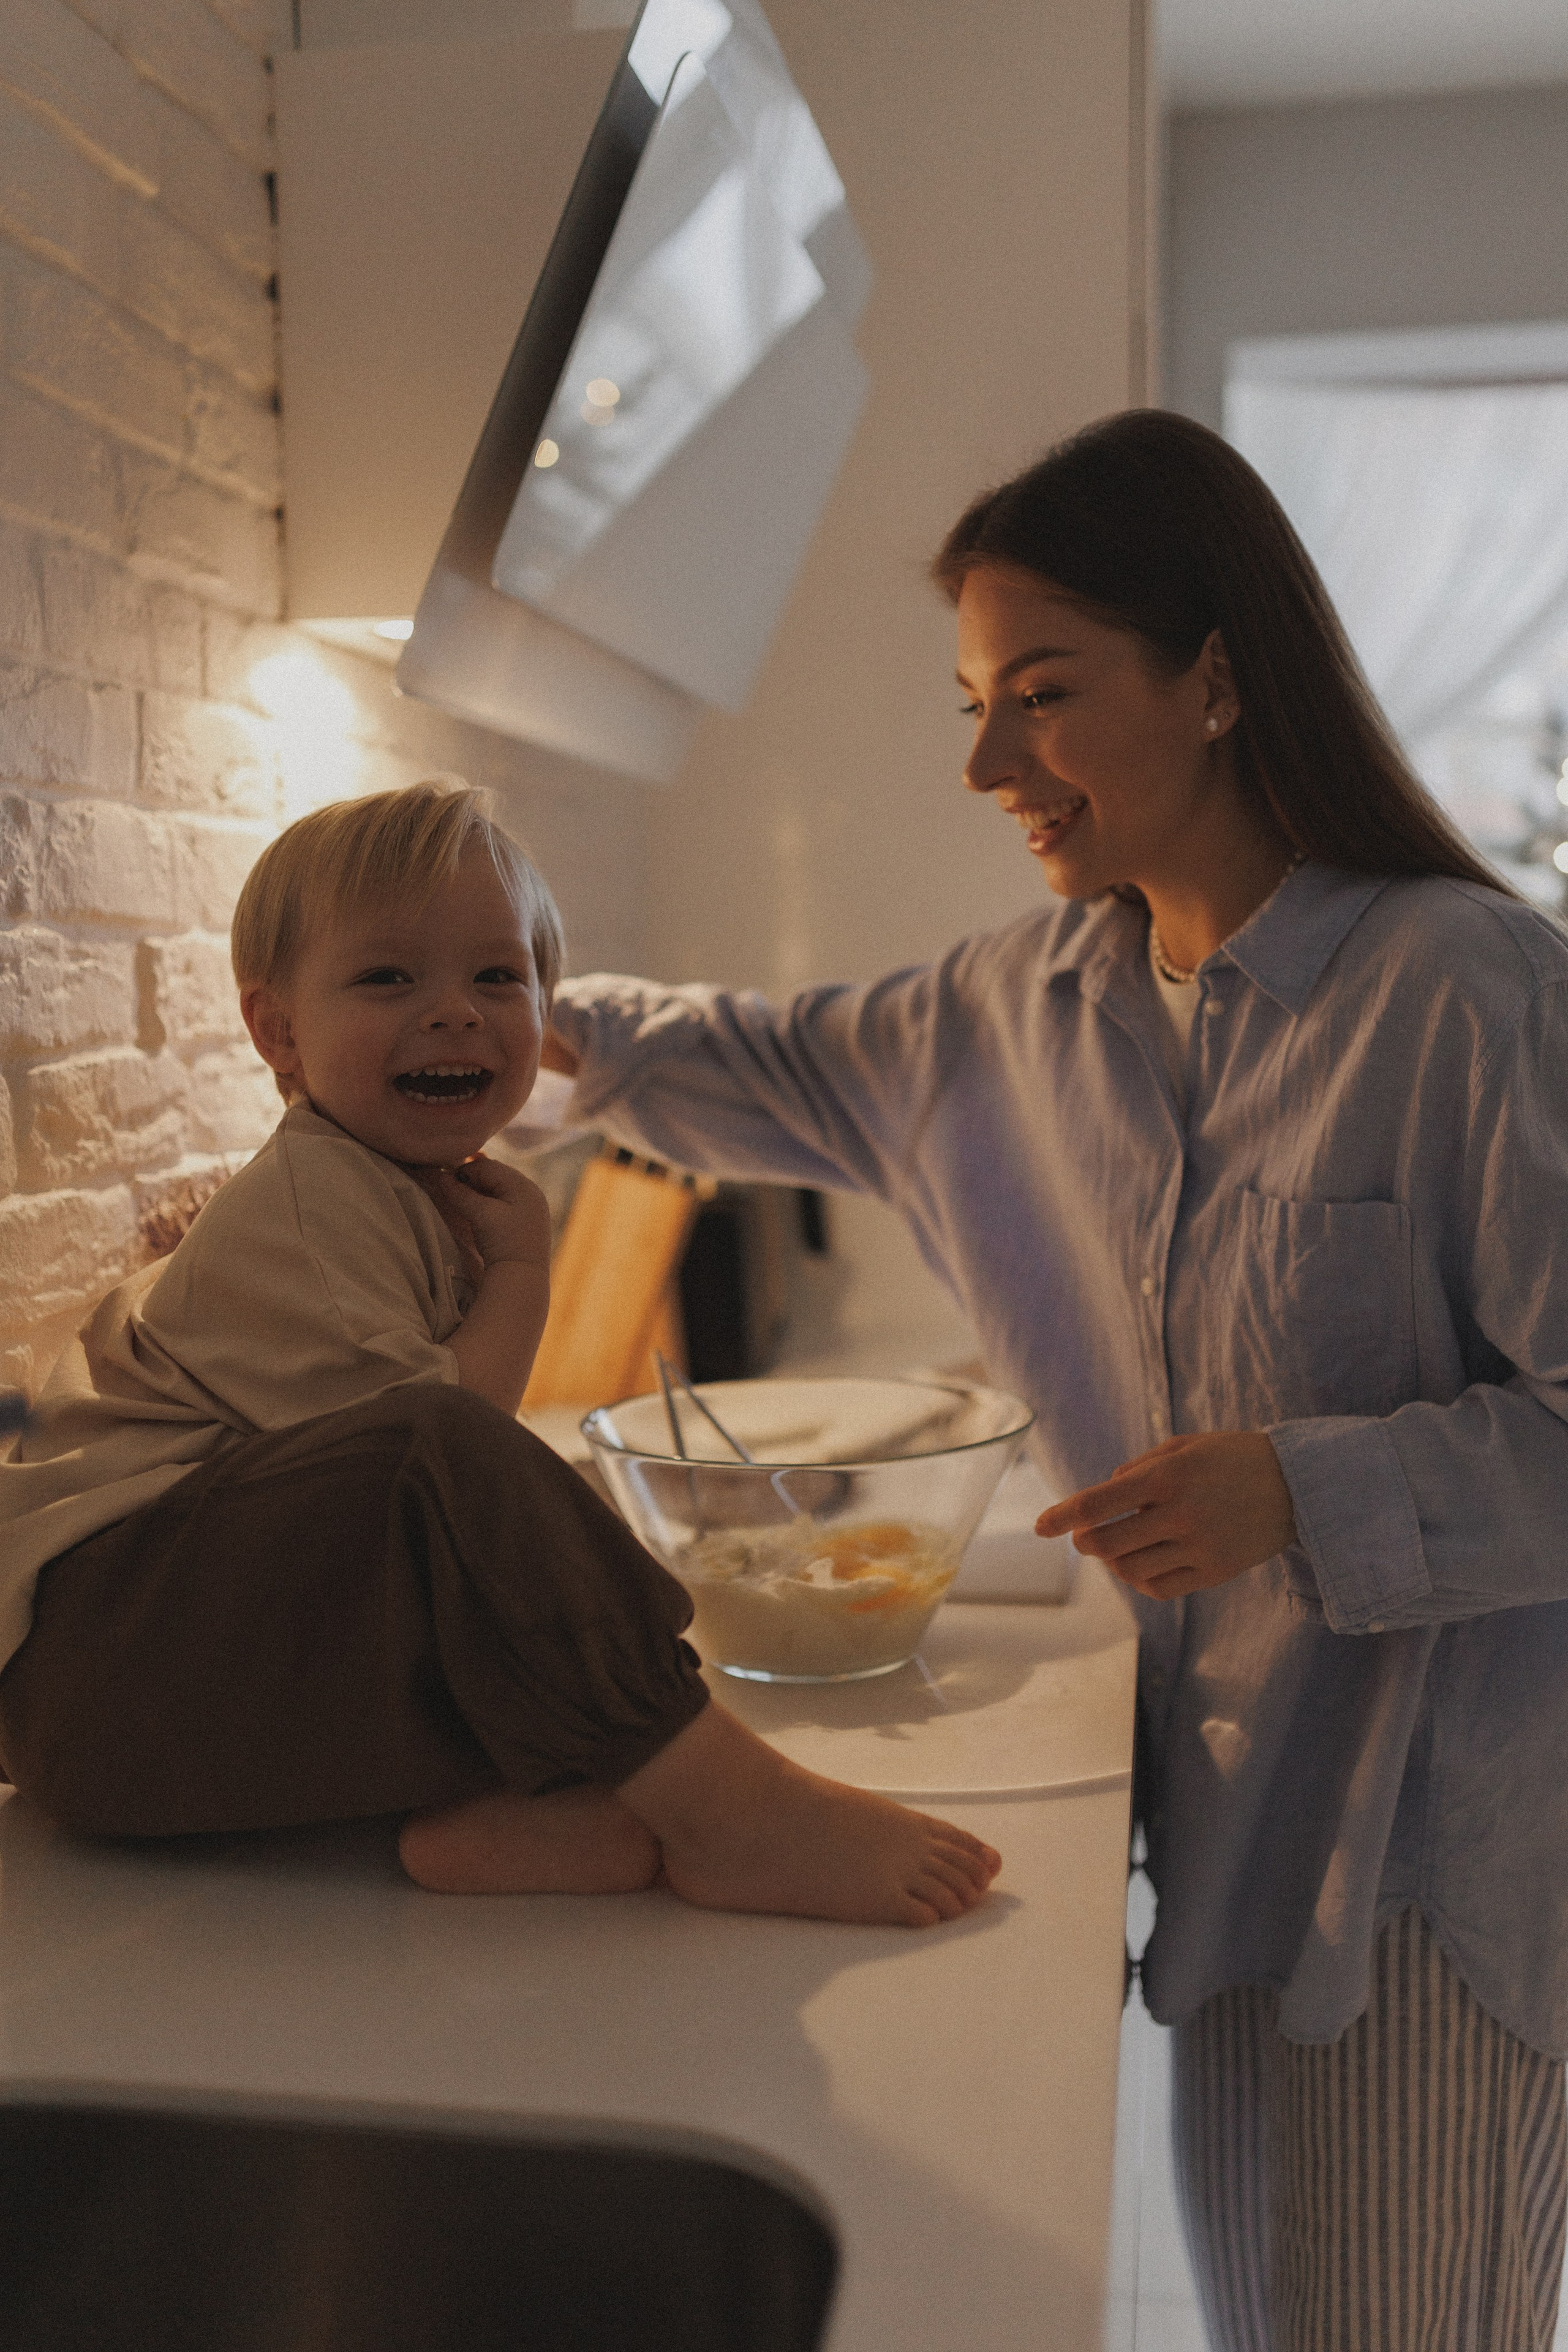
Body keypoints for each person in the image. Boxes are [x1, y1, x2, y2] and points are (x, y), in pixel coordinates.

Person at [538, 411, 1568, 2351]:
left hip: (1433, 1879)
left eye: (1040, 694)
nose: (988, 760)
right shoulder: (1010, 1015)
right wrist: (470, 1001)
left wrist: (1304, 1486)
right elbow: (738, 1061)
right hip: (1225, 1840)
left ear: (1216, 683)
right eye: (972, 700)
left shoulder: (1470, 996)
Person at [0, 783, 1000, 1931]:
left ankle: (498, 1812)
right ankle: (732, 1810)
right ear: (277, 1031)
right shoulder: (314, 1202)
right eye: (389, 979)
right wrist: (526, 1275)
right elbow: (434, 1463)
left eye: (497, 978)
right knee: (438, 1454)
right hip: (100, 1686)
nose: (456, 1014)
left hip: (179, 1691)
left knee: (480, 1517)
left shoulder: (394, 1196)